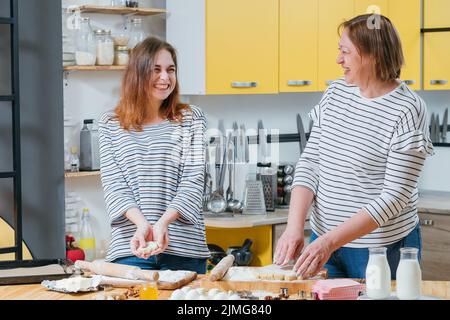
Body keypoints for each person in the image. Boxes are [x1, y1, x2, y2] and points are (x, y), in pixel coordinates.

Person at [274, 14, 434, 279]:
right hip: (323, 242)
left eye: (345, 52)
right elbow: (311, 162)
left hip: (382, 250)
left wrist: (330, 241)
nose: (338, 59)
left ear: (373, 55)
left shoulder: (408, 109)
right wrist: (294, 227)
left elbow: (394, 197)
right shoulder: (336, 93)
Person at [98, 37, 210, 274]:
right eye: (155, 70)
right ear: (137, 74)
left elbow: (193, 180)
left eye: (171, 70)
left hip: (184, 251)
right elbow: (114, 185)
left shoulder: (192, 118)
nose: (165, 77)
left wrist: (163, 224)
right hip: (131, 250)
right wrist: (142, 226)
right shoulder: (110, 124)